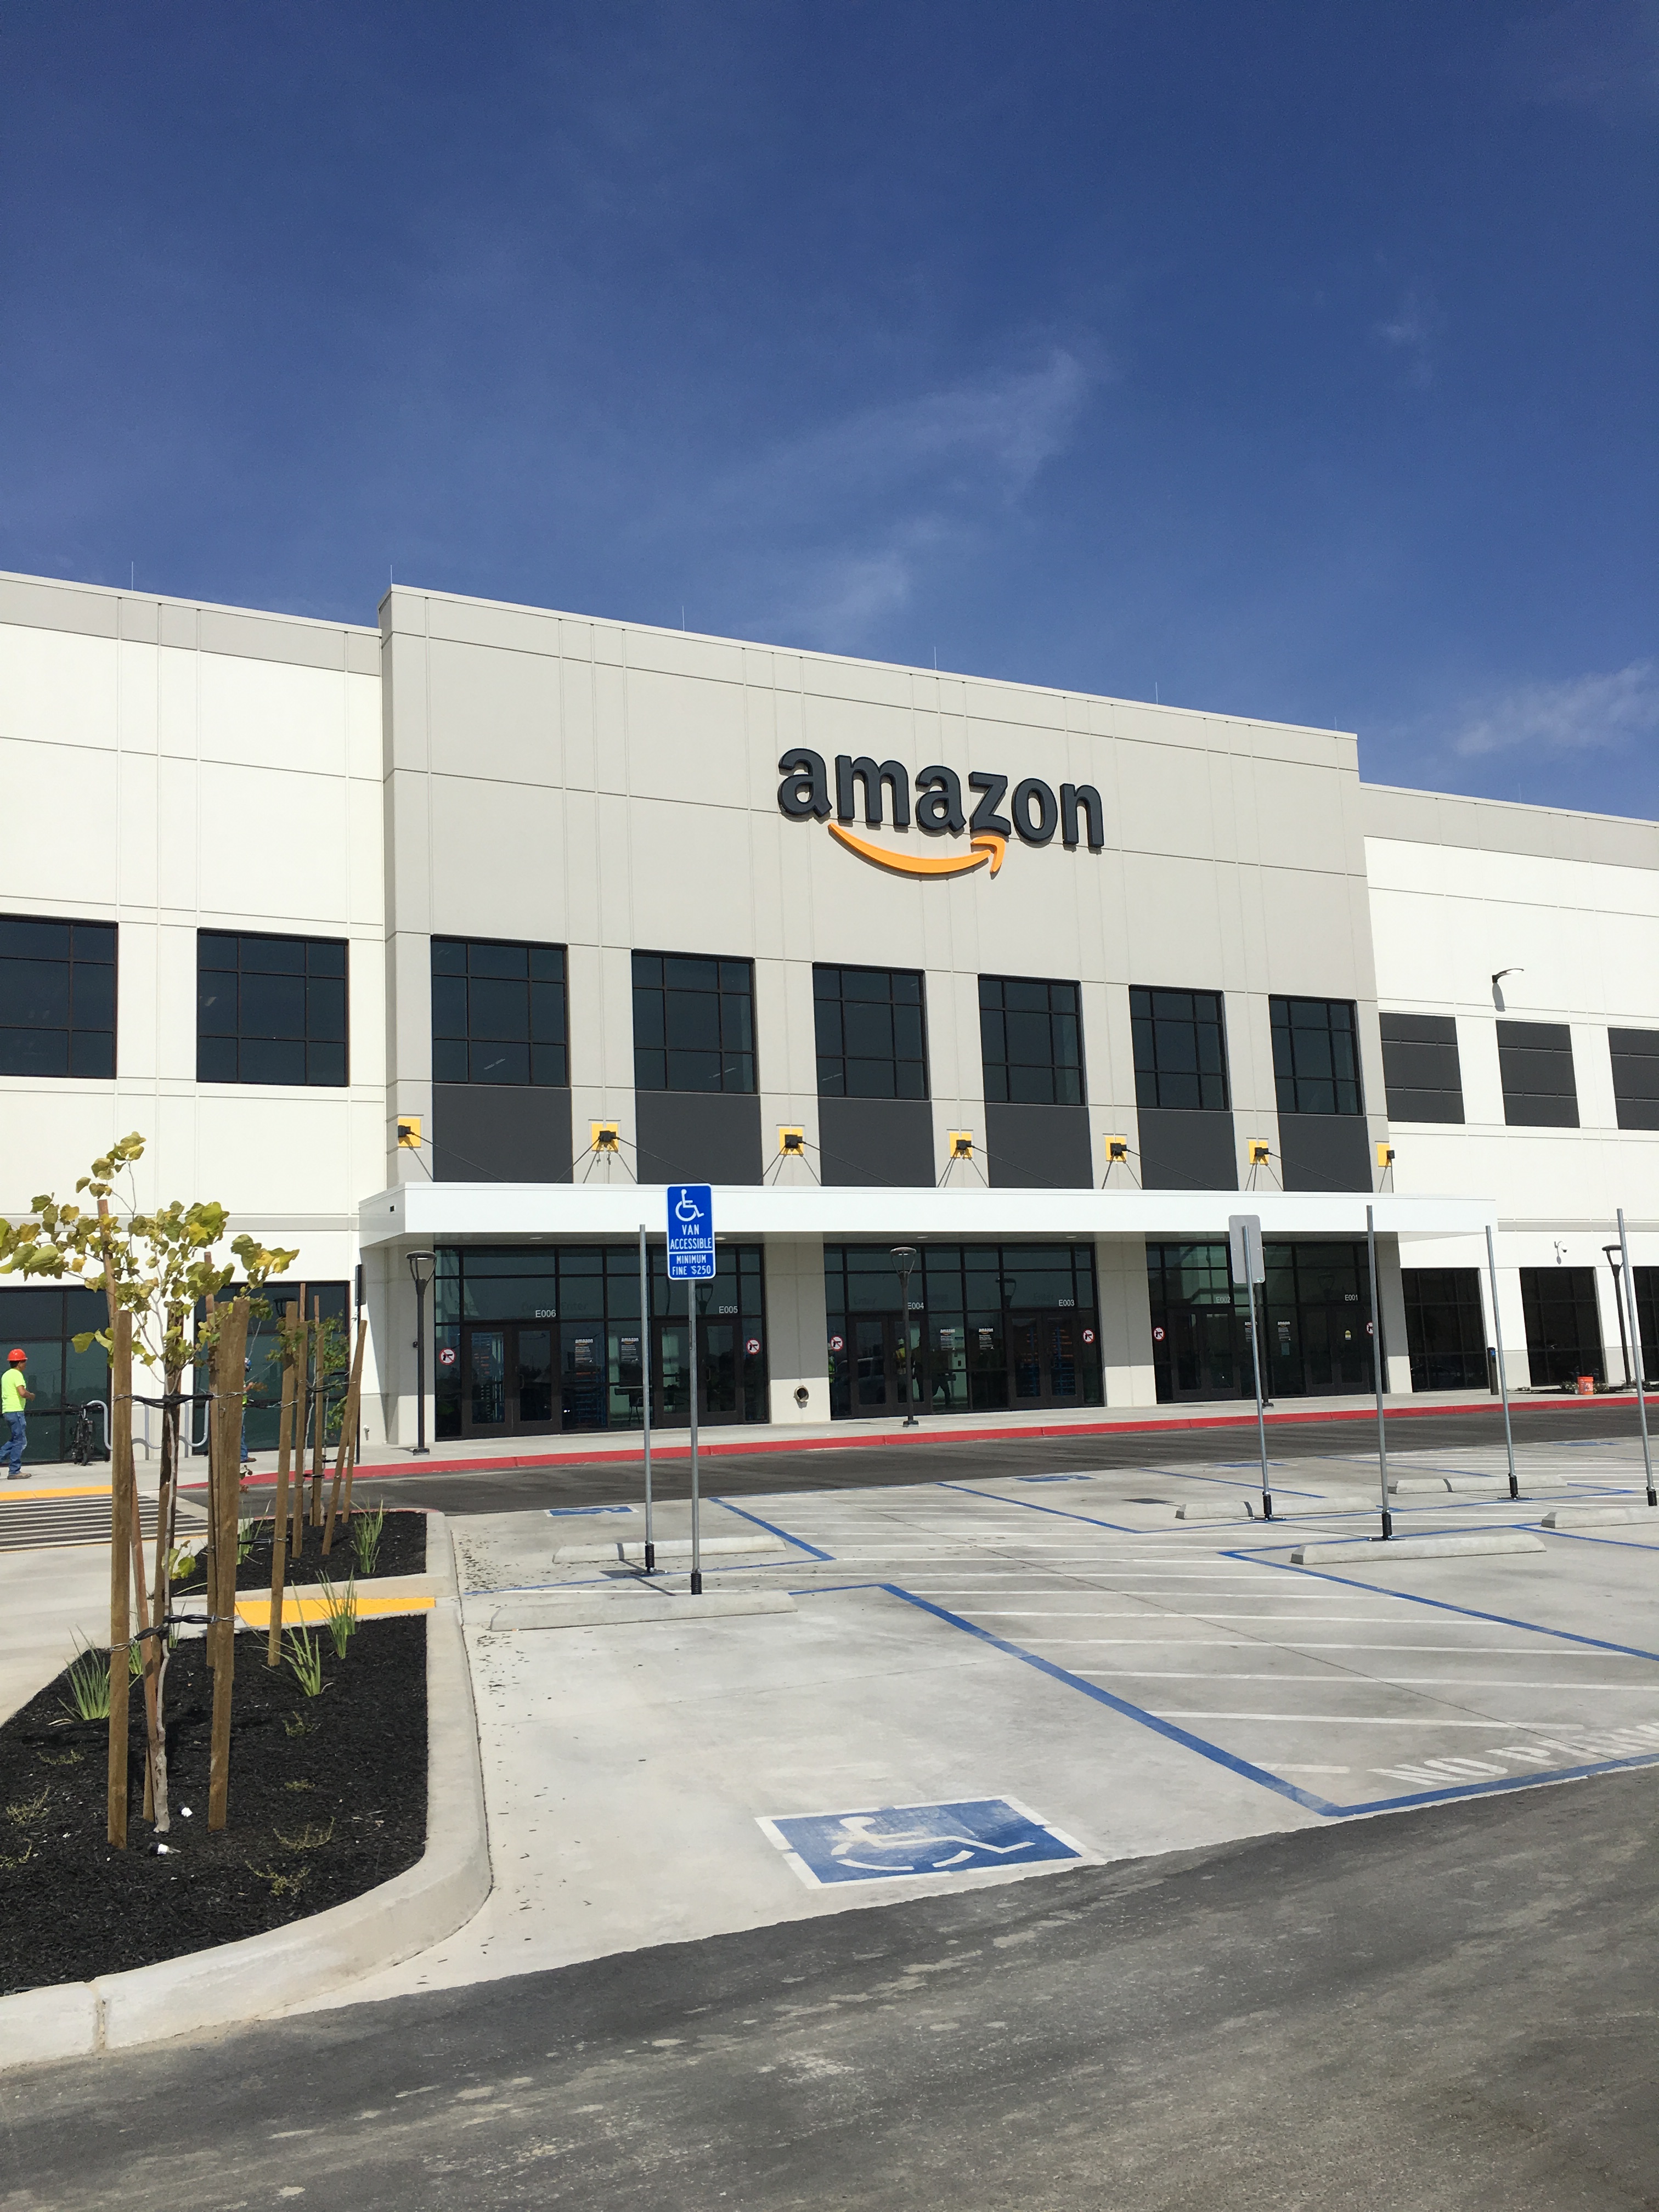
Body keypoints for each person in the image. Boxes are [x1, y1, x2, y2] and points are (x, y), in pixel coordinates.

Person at [2, 1350, 31, 1479]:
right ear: (19, 1363)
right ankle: (14, 1471)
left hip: (7, 1411)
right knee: (19, 1441)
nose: (25, 1364)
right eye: (24, 1361)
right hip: (16, 1411)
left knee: (16, 1440)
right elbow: (22, 1392)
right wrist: (31, 1395)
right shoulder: (17, 1374)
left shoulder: (6, 1375)